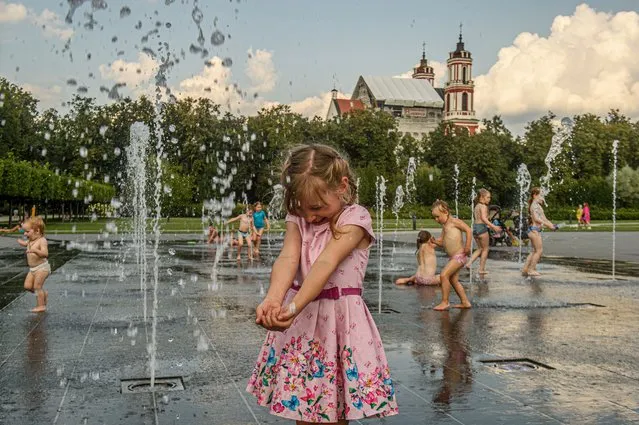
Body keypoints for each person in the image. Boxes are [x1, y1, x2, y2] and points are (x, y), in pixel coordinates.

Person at [246, 144, 398, 422]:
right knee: (303, 406)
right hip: (303, 324)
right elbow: (288, 257)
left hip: (338, 323)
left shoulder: (355, 218)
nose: (310, 217)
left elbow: (325, 264)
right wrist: (273, 299)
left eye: (316, 207)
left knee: (335, 408)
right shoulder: (300, 217)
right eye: (301, 208)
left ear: (341, 186)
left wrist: (293, 308)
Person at [431, 200, 472, 311]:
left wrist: (467, 247)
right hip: (454, 258)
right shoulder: (445, 227)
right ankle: (465, 302)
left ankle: (445, 302)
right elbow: (443, 242)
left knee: (443, 275)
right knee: (453, 280)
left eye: (437, 217)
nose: (436, 220)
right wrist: (435, 242)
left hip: (460, 256)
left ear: (446, 212)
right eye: (434, 217)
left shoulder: (454, 222)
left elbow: (468, 230)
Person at [521, 187, 558, 277]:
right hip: (534, 231)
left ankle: (525, 269)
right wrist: (547, 225)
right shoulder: (534, 205)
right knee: (539, 251)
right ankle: (531, 269)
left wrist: (551, 225)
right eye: (540, 195)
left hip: (533, 230)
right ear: (534, 195)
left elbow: (544, 218)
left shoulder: (538, 206)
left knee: (534, 251)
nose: (542, 198)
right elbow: (537, 219)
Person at [18, 217, 51, 313]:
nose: (25, 234)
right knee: (27, 286)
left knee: (37, 287)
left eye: (27, 232)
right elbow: (26, 244)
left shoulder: (42, 241)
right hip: (32, 269)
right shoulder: (30, 240)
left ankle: (41, 306)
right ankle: (43, 294)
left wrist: (35, 251)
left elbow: (45, 254)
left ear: (37, 231)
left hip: (42, 268)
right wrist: (21, 243)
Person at [465, 189, 501, 275]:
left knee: (480, 248)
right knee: (485, 249)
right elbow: (484, 219)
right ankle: (481, 269)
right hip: (481, 228)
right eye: (488, 197)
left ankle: (469, 263)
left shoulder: (477, 206)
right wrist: (494, 227)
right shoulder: (483, 206)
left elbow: (479, 218)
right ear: (482, 197)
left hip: (475, 228)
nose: (489, 199)